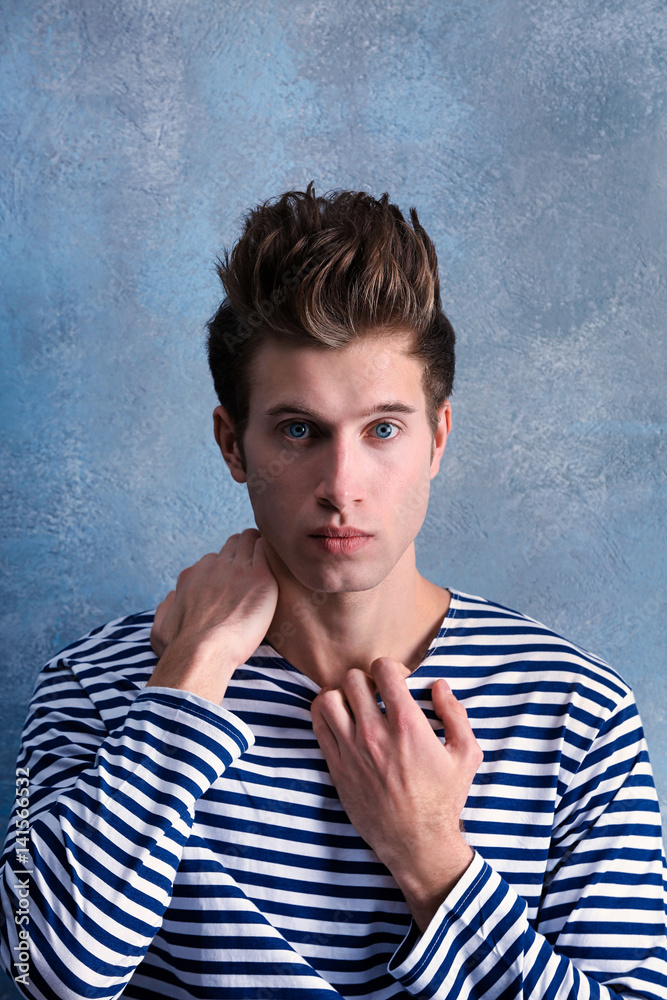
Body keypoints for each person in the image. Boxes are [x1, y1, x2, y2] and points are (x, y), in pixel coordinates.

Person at [1, 184, 666, 1000]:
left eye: (382, 429)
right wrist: (190, 679)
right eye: (297, 430)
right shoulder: (94, 685)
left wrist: (429, 859)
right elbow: (42, 972)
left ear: (436, 439)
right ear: (231, 444)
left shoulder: (574, 710)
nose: (340, 485)